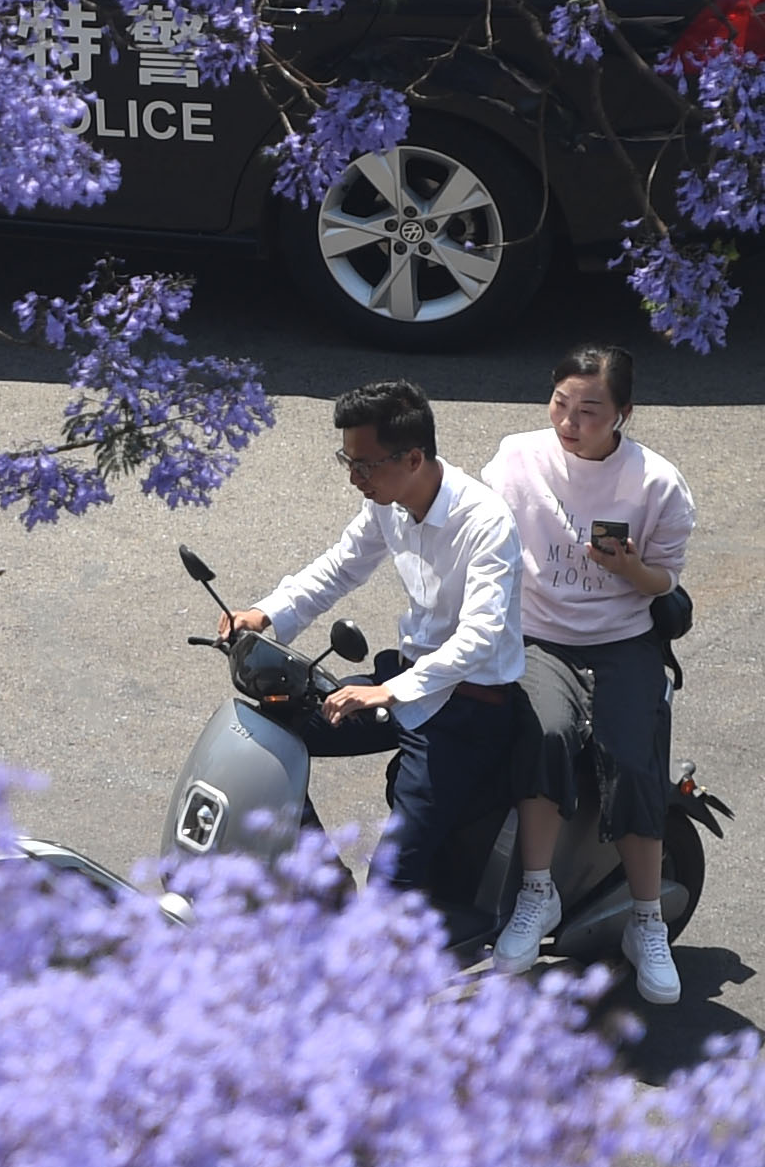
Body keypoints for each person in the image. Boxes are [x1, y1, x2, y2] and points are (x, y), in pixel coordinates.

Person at [223, 381, 559, 957]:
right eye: (347, 461)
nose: (354, 476)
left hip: (464, 711)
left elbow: (479, 639)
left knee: (393, 877)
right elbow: (339, 568)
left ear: (413, 458)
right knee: (267, 737)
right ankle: (331, 896)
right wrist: (265, 613)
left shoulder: (485, 523)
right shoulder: (388, 504)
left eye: (364, 464)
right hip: (403, 688)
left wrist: (386, 691)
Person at [485, 347, 697, 1006]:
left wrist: (629, 569)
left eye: (589, 411)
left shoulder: (657, 483)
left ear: (623, 414)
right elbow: (476, 530)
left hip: (623, 641)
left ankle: (646, 921)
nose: (570, 424)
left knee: (634, 764)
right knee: (545, 733)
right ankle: (537, 896)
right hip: (538, 637)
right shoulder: (516, 458)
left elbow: (665, 579)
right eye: (561, 405)